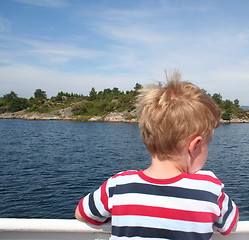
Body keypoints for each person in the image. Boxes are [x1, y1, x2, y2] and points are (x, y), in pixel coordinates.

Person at [75, 70, 239, 239]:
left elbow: (81, 213)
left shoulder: (118, 185)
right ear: (195, 146)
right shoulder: (208, 189)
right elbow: (230, 225)